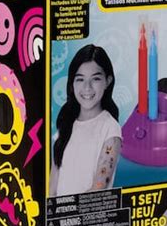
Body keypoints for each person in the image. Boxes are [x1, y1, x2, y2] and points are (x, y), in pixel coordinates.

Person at [50, 44, 122, 196]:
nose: (87, 87)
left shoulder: (110, 129)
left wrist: (67, 208)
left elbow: (99, 187)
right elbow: (53, 182)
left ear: (108, 81)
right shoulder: (65, 124)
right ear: (72, 83)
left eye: (95, 79)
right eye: (80, 79)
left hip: (88, 210)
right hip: (60, 210)